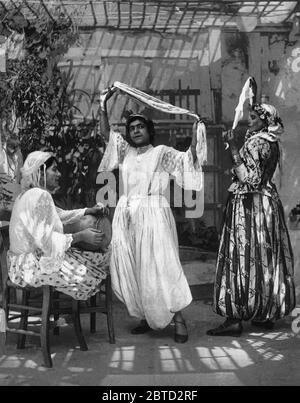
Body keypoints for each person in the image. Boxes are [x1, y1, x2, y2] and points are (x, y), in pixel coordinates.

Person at [97, 87, 205, 343]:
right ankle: (146, 316)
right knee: (135, 268)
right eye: (132, 127)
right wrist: (103, 104)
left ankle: (178, 320)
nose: (135, 130)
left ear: (149, 131)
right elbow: (105, 135)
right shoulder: (124, 152)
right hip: (127, 216)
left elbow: (188, 160)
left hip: (155, 216)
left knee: (163, 267)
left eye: (140, 127)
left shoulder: (162, 153)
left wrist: (195, 132)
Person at [207, 102, 296, 336]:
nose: (250, 120)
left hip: (249, 206)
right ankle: (264, 313)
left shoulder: (257, 142)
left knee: (241, 257)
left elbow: (251, 179)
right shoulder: (270, 141)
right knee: (264, 257)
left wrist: (234, 149)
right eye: (250, 116)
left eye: (255, 117)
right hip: (266, 204)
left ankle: (234, 317)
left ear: (266, 120)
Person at [7, 150, 110, 301]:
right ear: (41, 172)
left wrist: (88, 210)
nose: (59, 174)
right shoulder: (40, 195)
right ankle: (73, 315)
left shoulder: (26, 194)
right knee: (94, 267)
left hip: (18, 265)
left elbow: (58, 215)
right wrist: (81, 235)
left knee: (89, 258)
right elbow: (46, 242)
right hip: (31, 266)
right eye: (54, 169)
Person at [0, 132, 23, 224]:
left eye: (16, 147)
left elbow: (19, 174)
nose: (14, 149)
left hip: (14, 192)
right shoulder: (2, 154)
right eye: (13, 146)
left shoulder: (18, 155)